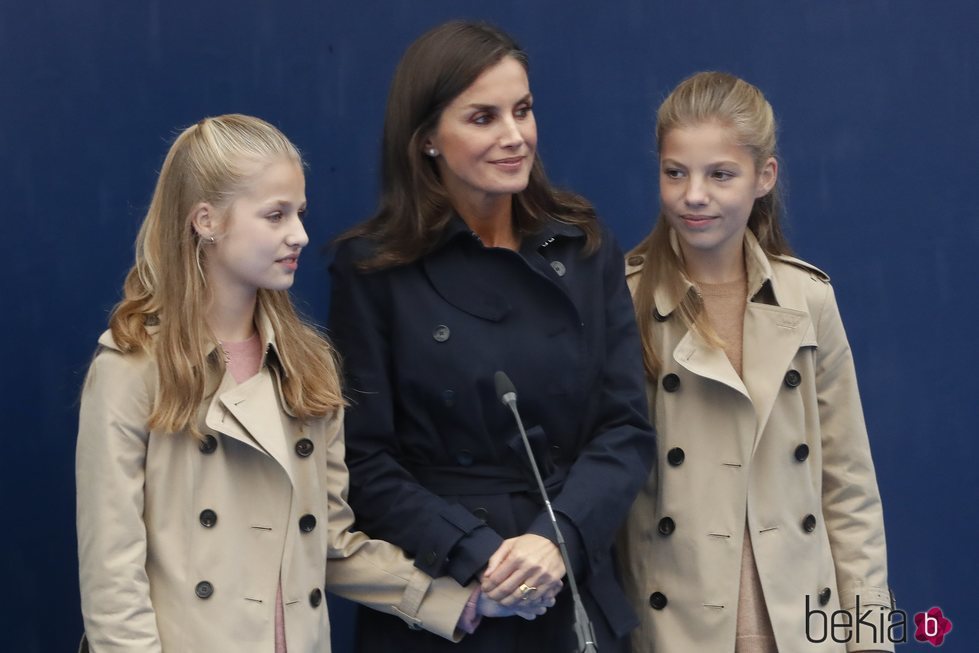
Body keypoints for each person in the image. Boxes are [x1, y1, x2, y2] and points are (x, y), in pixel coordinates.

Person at [75, 114, 543, 653]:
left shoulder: (307, 366)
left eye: (299, 213)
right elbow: (113, 572)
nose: (298, 234)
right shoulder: (135, 364)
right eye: (275, 215)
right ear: (206, 220)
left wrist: (460, 600)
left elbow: (329, 543)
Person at [327, 21, 656, 653]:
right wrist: (478, 554)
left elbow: (625, 430)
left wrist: (556, 539)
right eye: (483, 118)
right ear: (426, 139)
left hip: (564, 583)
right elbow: (363, 462)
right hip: (451, 596)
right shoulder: (374, 268)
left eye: (523, 111)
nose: (514, 137)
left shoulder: (583, 246)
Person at [617, 72, 893, 652]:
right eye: (675, 173)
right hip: (674, 630)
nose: (694, 194)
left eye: (720, 174)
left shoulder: (808, 298)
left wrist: (872, 641)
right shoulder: (624, 299)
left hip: (803, 629)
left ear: (763, 177)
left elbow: (849, 491)